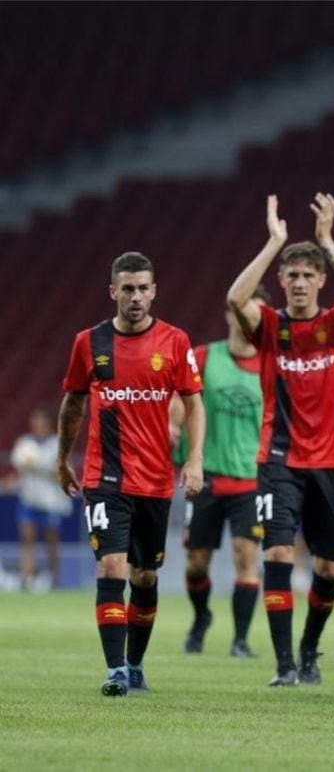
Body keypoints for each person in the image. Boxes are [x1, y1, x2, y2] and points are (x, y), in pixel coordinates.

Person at [227, 193, 334, 687]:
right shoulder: (270, 327)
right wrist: (275, 242)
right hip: (279, 460)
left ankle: (310, 648)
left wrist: (328, 241)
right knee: (277, 554)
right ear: (283, 280)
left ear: (321, 280)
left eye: (309, 275)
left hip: (332, 462)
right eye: (292, 275)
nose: (300, 283)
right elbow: (235, 299)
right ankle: (285, 664)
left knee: (328, 568)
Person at [57, 251, 206, 697]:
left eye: (143, 288)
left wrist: (194, 459)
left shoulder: (175, 341)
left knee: (144, 577)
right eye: (127, 289)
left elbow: (194, 403)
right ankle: (116, 670)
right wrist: (62, 458)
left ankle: (136, 664)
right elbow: (73, 403)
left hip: (156, 481)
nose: (135, 296)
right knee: (111, 565)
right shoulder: (89, 342)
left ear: (154, 291)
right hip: (105, 477)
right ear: (113, 292)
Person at [172, 287, 271, 657]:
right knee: (197, 564)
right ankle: (201, 618)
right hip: (206, 477)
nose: (248, 320)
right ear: (230, 314)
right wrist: (172, 424)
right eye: (243, 312)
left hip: (251, 480)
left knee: (246, 558)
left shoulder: (271, 365)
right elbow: (180, 399)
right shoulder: (203, 357)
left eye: (256, 315)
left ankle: (240, 641)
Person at [11, 407, 73, 590]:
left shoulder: (57, 444)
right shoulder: (25, 443)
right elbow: (18, 463)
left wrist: (37, 464)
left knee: (51, 541)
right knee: (27, 538)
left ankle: (54, 578)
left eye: (40, 421)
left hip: (50, 502)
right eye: (34, 421)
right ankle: (25, 578)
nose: (37, 425)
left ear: (48, 423)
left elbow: (62, 471)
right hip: (28, 499)